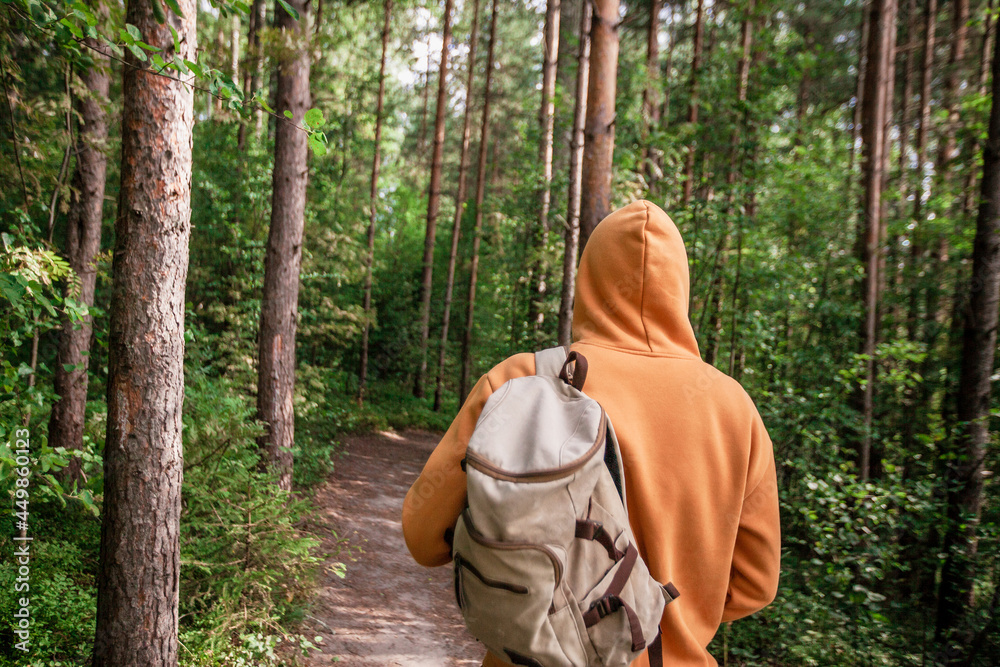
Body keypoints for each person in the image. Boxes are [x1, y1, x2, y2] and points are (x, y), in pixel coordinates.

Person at [402, 200, 781, 666]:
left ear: (589, 280)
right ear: (680, 288)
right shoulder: (736, 410)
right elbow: (754, 587)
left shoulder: (522, 380)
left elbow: (423, 537)